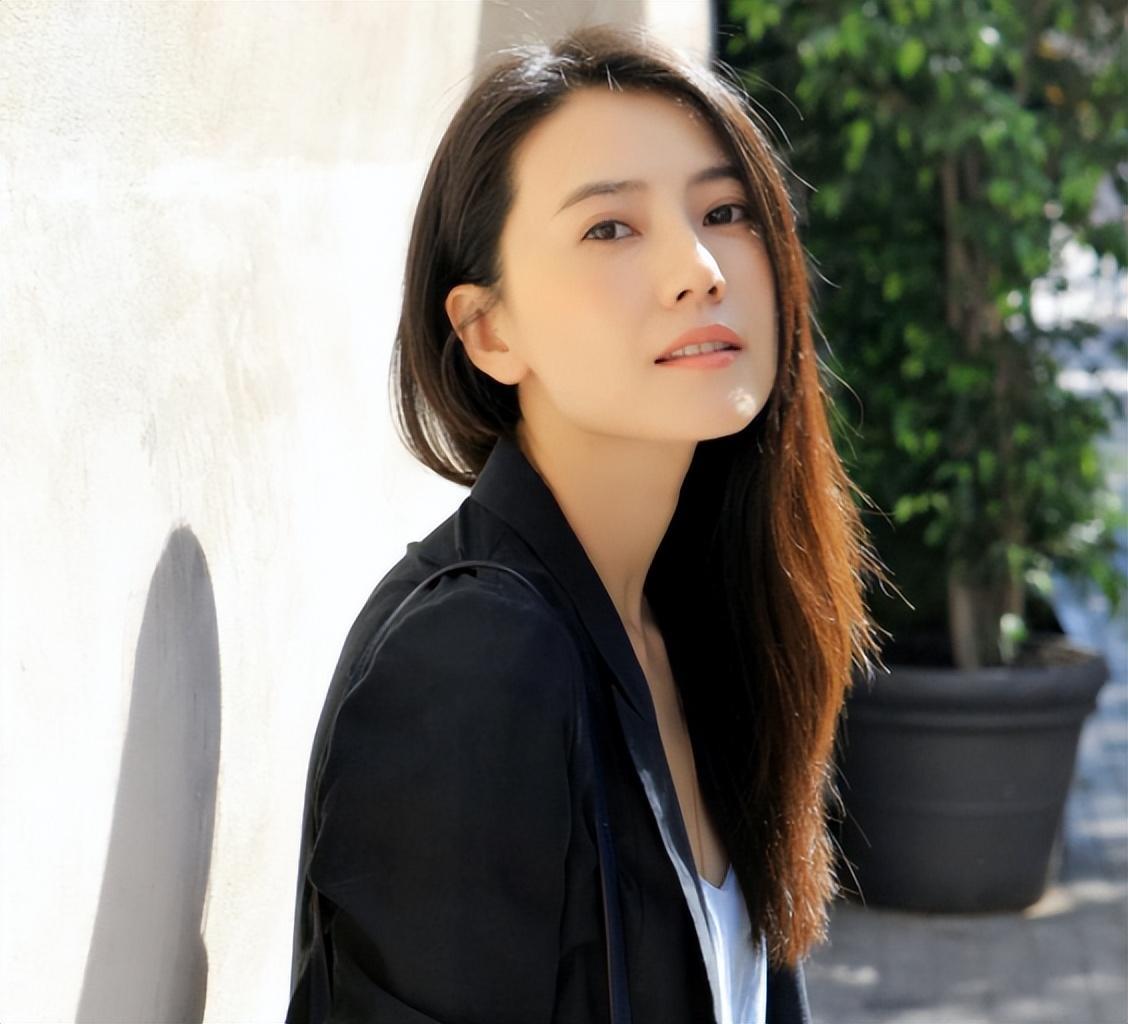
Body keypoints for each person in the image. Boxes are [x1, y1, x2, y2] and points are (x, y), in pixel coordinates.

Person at [286, 21, 882, 1024]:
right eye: (610, 228)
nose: (700, 267)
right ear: (487, 330)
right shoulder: (475, 657)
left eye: (724, 210)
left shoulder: (703, 614)